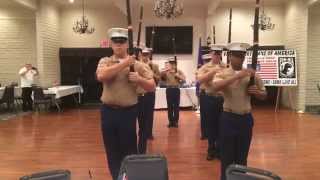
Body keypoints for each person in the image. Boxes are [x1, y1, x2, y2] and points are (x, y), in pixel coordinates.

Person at [96, 27, 156, 180]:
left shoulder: (138, 65)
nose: (118, 45)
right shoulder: (105, 61)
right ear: (111, 44)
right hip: (108, 112)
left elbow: (152, 86)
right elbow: (102, 76)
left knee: (129, 150)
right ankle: (117, 177)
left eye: (122, 42)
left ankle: (130, 177)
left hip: (128, 113)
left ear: (127, 44)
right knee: (111, 149)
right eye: (115, 42)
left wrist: (140, 79)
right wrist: (124, 63)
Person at [212, 42, 267, 180]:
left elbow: (264, 93)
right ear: (230, 56)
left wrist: (257, 93)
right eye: (236, 55)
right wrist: (237, 76)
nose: (240, 58)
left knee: (242, 157)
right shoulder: (222, 72)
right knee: (226, 157)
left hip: (245, 119)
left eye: (242, 55)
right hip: (228, 118)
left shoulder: (251, 74)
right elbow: (215, 86)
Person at [196, 45, 226, 161]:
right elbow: (200, 80)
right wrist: (213, 71)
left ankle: (219, 150)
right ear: (211, 54)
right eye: (215, 53)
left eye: (219, 53)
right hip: (209, 98)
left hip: (222, 99)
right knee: (211, 125)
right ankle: (210, 149)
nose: (217, 55)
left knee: (221, 125)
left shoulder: (226, 66)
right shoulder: (205, 67)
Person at [141, 48, 160, 140]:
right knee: (140, 115)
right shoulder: (137, 64)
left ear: (149, 55)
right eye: (143, 54)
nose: (145, 56)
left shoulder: (154, 66)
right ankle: (142, 132)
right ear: (141, 54)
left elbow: (158, 79)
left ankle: (149, 133)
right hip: (140, 93)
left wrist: (152, 73)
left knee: (149, 114)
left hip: (150, 93)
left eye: (146, 54)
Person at [161, 58, 185, 128]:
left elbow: (184, 79)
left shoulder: (179, 71)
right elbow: (161, 76)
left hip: (176, 90)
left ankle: (176, 122)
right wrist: (165, 70)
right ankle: (171, 122)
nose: (172, 65)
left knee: (176, 107)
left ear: (175, 64)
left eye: (173, 63)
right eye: (171, 63)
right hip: (169, 90)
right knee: (170, 106)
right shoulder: (166, 72)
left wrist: (178, 76)